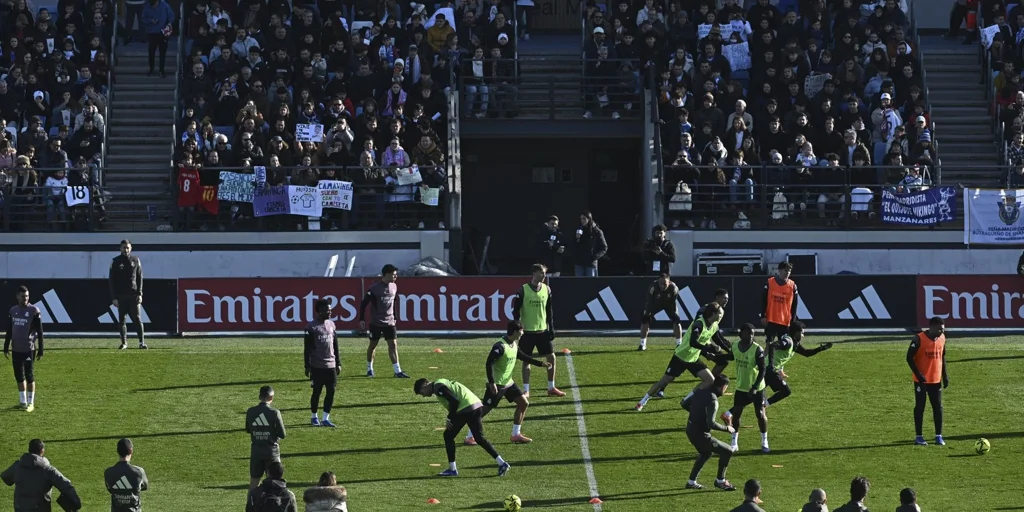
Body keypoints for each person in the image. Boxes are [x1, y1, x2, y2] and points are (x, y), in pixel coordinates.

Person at [465, 320, 552, 446]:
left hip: (509, 383)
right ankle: (469, 436)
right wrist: (491, 383)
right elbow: (488, 363)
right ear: (515, 331)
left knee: (523, 403)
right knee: (483, 411)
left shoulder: (514, 344)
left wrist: (540, 364)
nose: (523, 333)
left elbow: (522, 356)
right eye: (521, 330)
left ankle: (516, 434)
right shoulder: (500, 346)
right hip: (497, 384)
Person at [414, 378, 512, 477]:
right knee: (479, 438)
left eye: (421, 392)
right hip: (476, 405)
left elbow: (454, 401)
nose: (423, 395)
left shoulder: (438, 387)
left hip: (465, 409)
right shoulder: (441, 382)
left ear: (425, 385)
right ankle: (502, 463)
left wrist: (450, 418)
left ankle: (452, 469)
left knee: (448, 436)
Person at [635, 303, 725, 411]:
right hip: (680, 357)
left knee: (709, 380)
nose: (721, 316)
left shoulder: (714, 326)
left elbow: (705, 341)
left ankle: (687, 401)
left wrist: (714, 347)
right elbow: (693, 343)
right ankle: (642, 401)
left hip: (693, 358)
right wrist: (710, 349)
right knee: (664, 381)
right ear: (713, 313)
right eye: (720, 314)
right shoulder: (699, 324)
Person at [513, 264, 563, 397]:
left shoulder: (547, 289)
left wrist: (551, 327)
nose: (543, 276)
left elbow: (549, 310)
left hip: (542, 331)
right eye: (541, 273)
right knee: (526, 361)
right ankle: (526, 390)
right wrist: (518, 327)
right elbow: (516, 311)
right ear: (534, 273)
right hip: (527, 332)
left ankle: (551, 387)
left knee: (551, 357)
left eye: (545, 273)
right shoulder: (523, 290)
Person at [721, 323, 768, 453]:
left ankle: (764, 441)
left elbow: (763, 369)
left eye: (753, 333)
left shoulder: (757, 349)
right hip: (741, 387)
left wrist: (755, 387)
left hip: (757, 388)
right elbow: (731, 356)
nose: (751, 336)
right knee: (736, 414)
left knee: (760, 414)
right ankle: (734, 443)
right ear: (741, 334)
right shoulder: (735, 346)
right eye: (748, 333)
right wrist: (715, 356)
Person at [684, 374, 736, 491]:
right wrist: (727, 428)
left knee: (705, 453)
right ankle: (720, 481)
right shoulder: (713, 400)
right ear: (723, 387)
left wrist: (696, 415)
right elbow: (711, 423)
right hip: (700, 435)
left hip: (690, 430)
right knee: (727, 451)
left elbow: (685, 403)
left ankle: (691, 482)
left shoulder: (700, 391)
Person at [764, 321, 833, 407]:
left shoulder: (794, 343)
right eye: (802, 333)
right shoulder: (788, 341)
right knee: (786, 391)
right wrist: (771, 365)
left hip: (767, 369)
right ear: (796, 333)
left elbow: (806, 353)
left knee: (754, 394)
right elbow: (773, 346)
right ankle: (764, 405)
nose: (803, 336)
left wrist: (820, 348)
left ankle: (760, 404)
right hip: (768, 369)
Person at [1, 439, 82, 512]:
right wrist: (76, 503)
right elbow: (66, 485)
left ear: (29, 450)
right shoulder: (49, 470)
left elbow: (6, 478)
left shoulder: (18, 466)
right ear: (42, 451)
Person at [359, 264, 409, 378]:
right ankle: (369, 369)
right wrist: (361, 318)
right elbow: (363, 304)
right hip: (376, 322)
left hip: (390, 322)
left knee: (393, 345)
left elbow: (394, 302)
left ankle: (397, 371)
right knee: (373, 345)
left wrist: (395, 317)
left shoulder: (394, 286)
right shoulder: (374, 288)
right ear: (386, 274)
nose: (396, 276)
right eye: (394, 274)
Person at [907, 317, 948, 446]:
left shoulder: (942, 338)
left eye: (943, 329)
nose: (942, 331)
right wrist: (919, 375)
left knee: (938, 407)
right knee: (920, 407)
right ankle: (919, 436)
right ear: (932, 327)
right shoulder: (919, 339)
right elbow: (909, 357)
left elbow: (943, 356)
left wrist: (945, 375)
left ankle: (938, 436)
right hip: (921, 381)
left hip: (936, 380)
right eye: (940, 329)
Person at [4, 286, 43, 412]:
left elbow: (40, 332)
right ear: (17, 297)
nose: (25, 298)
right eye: (23, 296)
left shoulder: (34, 310)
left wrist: (41, 348)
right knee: (19, 376)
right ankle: (23, 401)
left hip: (28, 349)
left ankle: (31, 403)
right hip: (16, 349)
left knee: (29, 375)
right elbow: (9, 330)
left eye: (27, 296)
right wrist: (6, 346)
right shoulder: (13, 310)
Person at [306, 299, 340, 427]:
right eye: (327, 310)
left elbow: (335, 345)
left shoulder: (332, 325)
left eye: (330, 309)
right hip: (317, 366)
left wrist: (338, 362)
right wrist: (307, 366)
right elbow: (307, 348)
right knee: (317, 392)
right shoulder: (311, 327)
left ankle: (325, 418)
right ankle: (314, 416)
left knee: (331, 391)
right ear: (319, 311)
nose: (330, 312)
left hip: (331, 365)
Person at [245, 386, 287, 491]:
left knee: (254, 481)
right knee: (274, 481)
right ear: (271, 398)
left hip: (256, 451)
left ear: (259, 396)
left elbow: (248, 429)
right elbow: (282, 434)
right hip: (272, 452)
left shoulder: (251, 411)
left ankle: (251, 504)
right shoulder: (274, 412)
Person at [109, 240, 147, 350]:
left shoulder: (136, 260)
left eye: (128, 247)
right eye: (124, 248)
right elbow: (111, 281)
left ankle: (141, 342)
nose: (126, 250)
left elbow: (140, 278)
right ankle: (124, 343)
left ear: (131, 248)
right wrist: (114, 297)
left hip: (133, 295)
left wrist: (140, 293)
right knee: (122, 320)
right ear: (120, 248)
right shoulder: (115, 261)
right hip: (121, 296)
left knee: (137, 319)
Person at [637, 273, 682, 352]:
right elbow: (649, 302)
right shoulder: (653, 288)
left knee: (676, 320)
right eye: (660, 284)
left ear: (669, 282)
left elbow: (673, 302)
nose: (662, 286)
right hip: (654, 304)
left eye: (664, 284)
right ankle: (642, 344)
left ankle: (679, 344)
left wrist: (674, 314)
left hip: (669, 304)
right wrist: (648, 314)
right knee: (645, 319)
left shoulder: (674, 289)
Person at [104, 438, 149, 512]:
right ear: (131, 451)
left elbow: (110, 489)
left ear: (117, 451)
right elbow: (145, 487)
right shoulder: (139, 472)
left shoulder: (108, 472)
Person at [760, 261, 799, 346]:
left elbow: (795, 304)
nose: (787, 273)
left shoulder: (792, 285)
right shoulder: (770, 282)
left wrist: (793, 320)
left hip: (784, 321)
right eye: (785, 270)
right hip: (771, 319)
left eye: (789, 271)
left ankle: (776, 359)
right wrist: (763, 315)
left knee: (783, 346)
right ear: (779, 270)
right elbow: (763, 300)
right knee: (769, 344)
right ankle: (765, 359)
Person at [141, 0, 174, 77]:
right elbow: (143, 18)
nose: (153, 6)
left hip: (163, 33)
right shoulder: (147, 6)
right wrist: (151, 20)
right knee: (151, 52)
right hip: (152, 33)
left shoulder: (165, 5)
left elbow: (171, 16)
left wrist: (169, 24)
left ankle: (161, 71)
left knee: (163, 53)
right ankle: (151, 69)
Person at [573, 211, 608, 277]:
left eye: (584, 219)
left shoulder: (597, 232)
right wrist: (577, 238)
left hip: (591, 262)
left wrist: (595, 257)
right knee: (579, 283)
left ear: (589, 219)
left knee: (590, 284)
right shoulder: (578, 230)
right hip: (579, 262)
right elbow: (572, 245)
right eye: (581, 219)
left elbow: (604, 247)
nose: (582, 221)